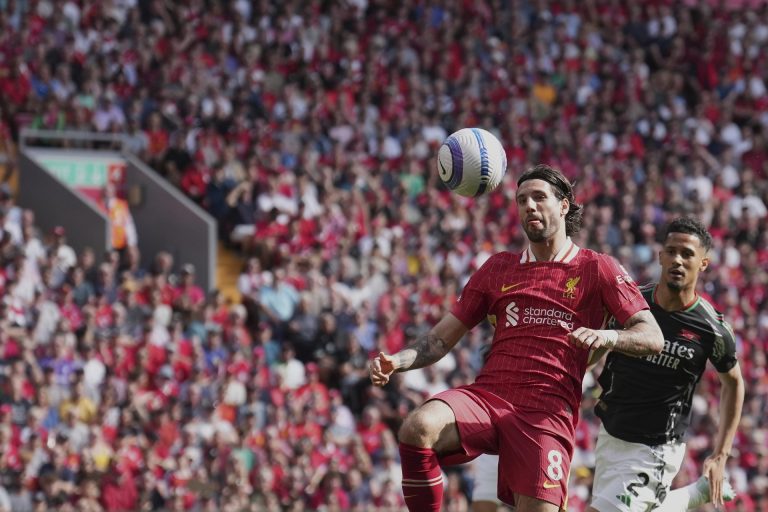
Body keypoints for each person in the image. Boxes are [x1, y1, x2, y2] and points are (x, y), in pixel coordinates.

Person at [369, 164, 665, 512]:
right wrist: (398, 361)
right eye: (522, 200)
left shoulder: (597, 267)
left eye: (539, 197)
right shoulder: (498, 267)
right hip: (489, 396)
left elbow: (652, 335)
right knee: (418, 426)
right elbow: (438, 340)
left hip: (546, 414)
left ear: (564, 206)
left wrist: (607, 337)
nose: (529, 206)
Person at [589, 217, 745, 512]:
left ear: (703, 263)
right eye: (671, 251)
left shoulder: (712, 329)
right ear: (660, 256)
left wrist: (721, 453)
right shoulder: (631, 305)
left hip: (656, 447)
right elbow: (592, 355)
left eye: (687, 254)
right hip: (611, 433)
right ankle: (692, 495)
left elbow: (734, 383)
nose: (678, 260)